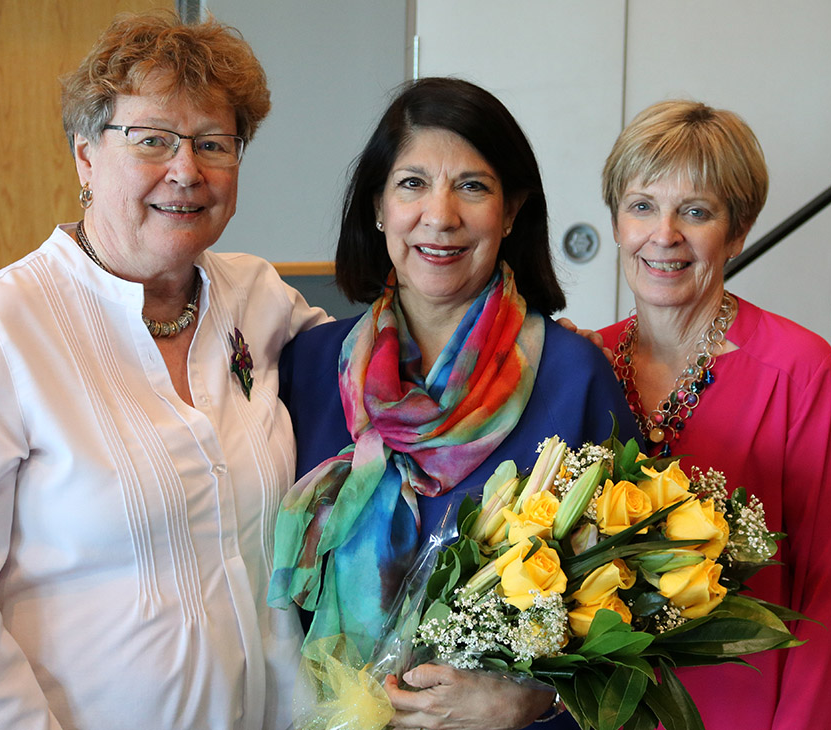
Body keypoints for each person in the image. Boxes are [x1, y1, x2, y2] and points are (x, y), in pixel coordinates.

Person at [0, 12, 328, 730]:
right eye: (152, 140)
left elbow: (387, 367)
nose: (186, 170)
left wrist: (524, 342)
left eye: (213, 144)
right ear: (85, 156)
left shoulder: (260, 299)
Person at [269, 77, 640, 730]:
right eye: (412, 183)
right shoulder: (306, 368)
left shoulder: (572, 376)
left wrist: (534, 698)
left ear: (513, 210)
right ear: (378, 208)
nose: (440, 215)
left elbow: (634, 606)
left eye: (472, 186)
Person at [597, 99, 831, 729]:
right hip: (607, 707)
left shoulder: (800, 370)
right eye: (642, 206)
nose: (664, 235)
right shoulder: (584, 362)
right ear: (616, 223)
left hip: (743, 707)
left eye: (696, 211)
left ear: (738, 231)